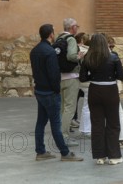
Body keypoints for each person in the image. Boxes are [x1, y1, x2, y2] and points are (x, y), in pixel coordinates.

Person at [29, 23, 83, 162]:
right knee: (55, 124)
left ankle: (40, 152)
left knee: (40, 123)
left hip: (40, 91)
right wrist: (56, 90)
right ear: (51, 34)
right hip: (50, 93)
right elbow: (54, 74)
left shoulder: (34, 50)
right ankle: (65, 153)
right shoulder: (50, 51)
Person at [79, 33, 123, 165]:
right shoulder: (113, 57)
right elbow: (121, 76)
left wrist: (93, 77)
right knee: (113, 123)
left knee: (97, 124)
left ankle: (100, 156)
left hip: (94, 90)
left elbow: (82, 78)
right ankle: (114, 156)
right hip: (110, 91)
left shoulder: (88, 58)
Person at [56, 18, 81, 146]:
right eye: (77, 26)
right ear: (72, 28)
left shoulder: (58, 39)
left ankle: (60, 134)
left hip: (60, 77)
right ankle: (64, 137)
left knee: (62, 108)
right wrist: (80, 56)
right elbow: (71, 56)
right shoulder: (71, 39)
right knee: (69, 109)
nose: (78, 28)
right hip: (71, 77)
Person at [75, 32, 91, 138]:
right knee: (87, 105)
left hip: (79, 79)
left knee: (86, 105)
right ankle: (86, 130)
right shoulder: (88, 51)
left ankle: (85, 128)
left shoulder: (77, 49)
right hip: (87, 81)